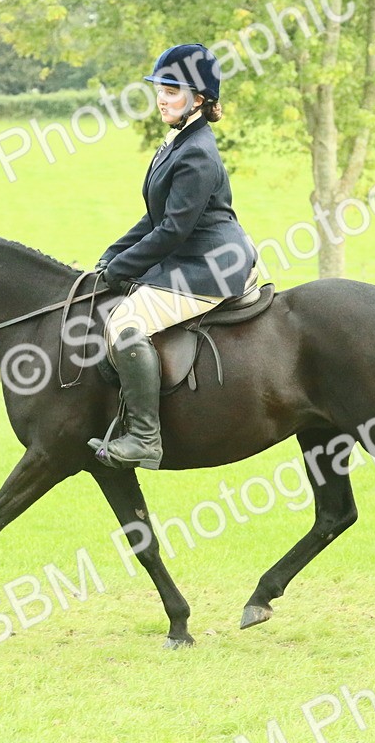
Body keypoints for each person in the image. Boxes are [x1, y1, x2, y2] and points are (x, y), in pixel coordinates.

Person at [87, 43, 257, 470]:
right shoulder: (178, 141)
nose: (162, 98)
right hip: (191, 256)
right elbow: (156, 217)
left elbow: (173, 230)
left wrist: (121, 270)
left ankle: (144, 438)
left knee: (125, 323)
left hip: (210, 266)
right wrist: (112, 256)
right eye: (160, 89)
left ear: (199, 100)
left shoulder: (196, 152)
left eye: (172, 90)